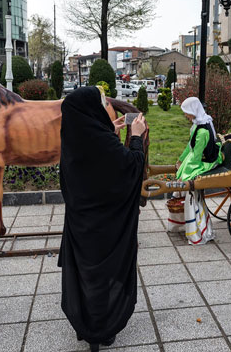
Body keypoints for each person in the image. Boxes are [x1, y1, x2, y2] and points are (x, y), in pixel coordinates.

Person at [58, 86, 146, 352]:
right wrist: (136, 137)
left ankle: (84, 325)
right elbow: (131, 166)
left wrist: (111, 132)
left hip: (81, 224)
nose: (105, 107)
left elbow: (98, 160)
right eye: (101, 103)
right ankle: (102, 329)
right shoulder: (104, 144)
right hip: (108, 227)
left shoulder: (74, 138)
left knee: (85, 273)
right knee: (105, 274)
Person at [171, 97, 222, 245]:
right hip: (198, 156)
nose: (186, 116)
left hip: (206, 161)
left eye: (187, 112)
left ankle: (196, 226)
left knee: (186, 176)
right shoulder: (198, 125)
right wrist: (181, 159)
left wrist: (186, 175)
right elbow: (190, 147)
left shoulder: (202, 132)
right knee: (183, 170)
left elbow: (196, 156)